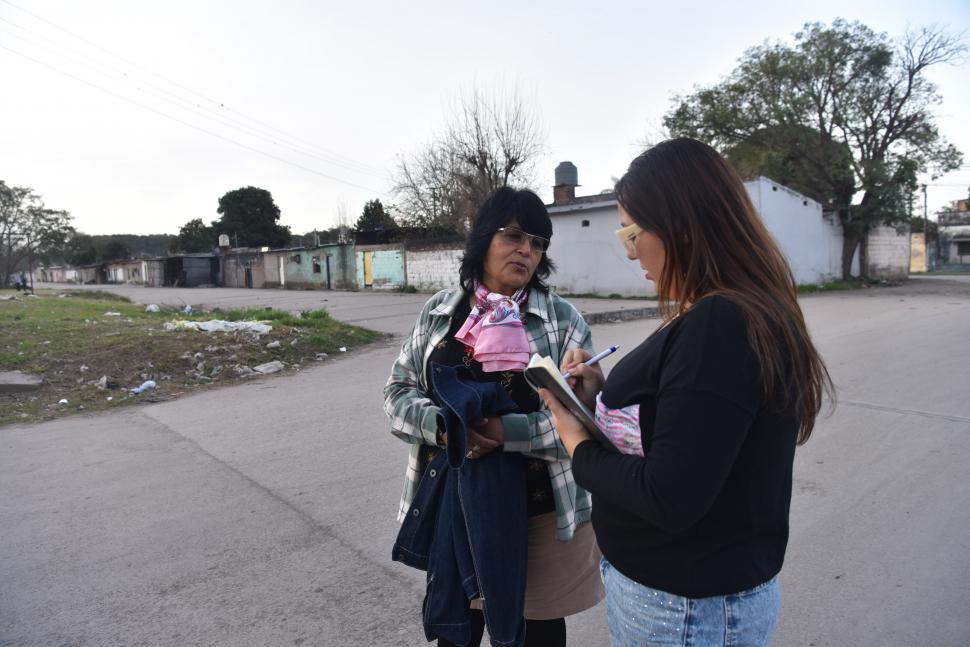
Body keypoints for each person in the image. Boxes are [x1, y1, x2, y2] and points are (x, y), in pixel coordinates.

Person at [539, 138, 834, 647]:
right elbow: (686, 428)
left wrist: (575, 440)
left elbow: (669, 496)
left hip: (684, 612)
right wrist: (601, 397)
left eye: (633, 232)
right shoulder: (729, 313)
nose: (630, 251)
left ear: (681, 225)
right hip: (684, 603)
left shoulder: (720, 324)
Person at [385, 186, 604, 647]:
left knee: (538, 635)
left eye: (537, 243)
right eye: (514, 236)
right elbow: (397, 393)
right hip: (457, 507)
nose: (526, 251)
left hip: (540, 513)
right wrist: (445, 429)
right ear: (484, 238)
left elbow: (583, 422)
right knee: (458, 633)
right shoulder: (440, 313)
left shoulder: (562, 322)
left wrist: (509, 432)